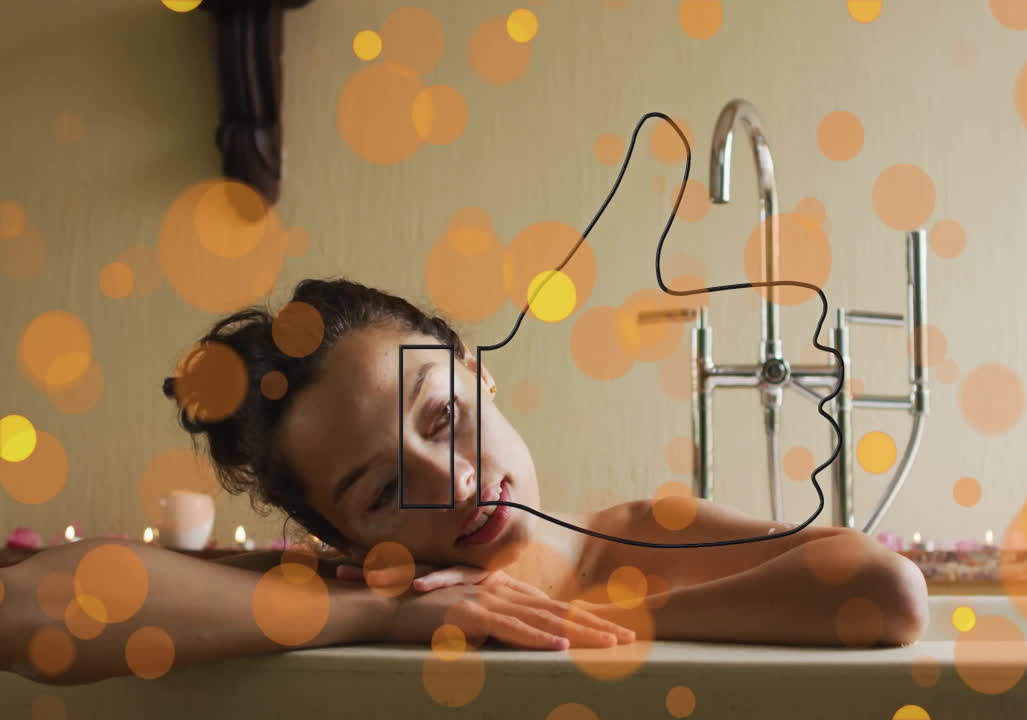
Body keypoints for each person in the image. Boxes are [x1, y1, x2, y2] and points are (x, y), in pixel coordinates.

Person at [1, 277, 926, 687]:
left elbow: (885, 590)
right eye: (380, 492)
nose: (449, 482)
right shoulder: (375, 589)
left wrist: (574, 624)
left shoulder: (643, 535)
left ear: (477, 370)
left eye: (440, 417)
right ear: (346, 539)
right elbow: (27, 610)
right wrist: (377, 615)